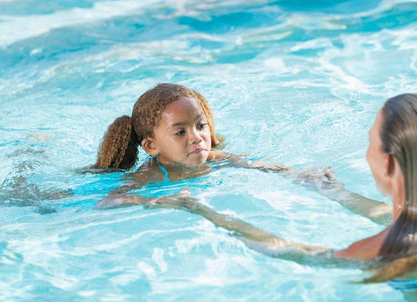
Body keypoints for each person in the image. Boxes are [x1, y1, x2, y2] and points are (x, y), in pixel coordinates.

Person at [147, 93, 417, 302]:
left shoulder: (380, 252)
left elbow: (289, 251)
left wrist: (201, 210)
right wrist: (333, 192)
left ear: (388, 162)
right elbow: (403, 217)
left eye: (370, 143)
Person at [92, 83, 313, 209]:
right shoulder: (151, 175)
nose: (197, 137)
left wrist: (300, 174)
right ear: (151, 146)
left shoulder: (214, 158)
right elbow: (109, 201)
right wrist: (157, 200)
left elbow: (256, 165)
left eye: (200, 126)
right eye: (180, 132)